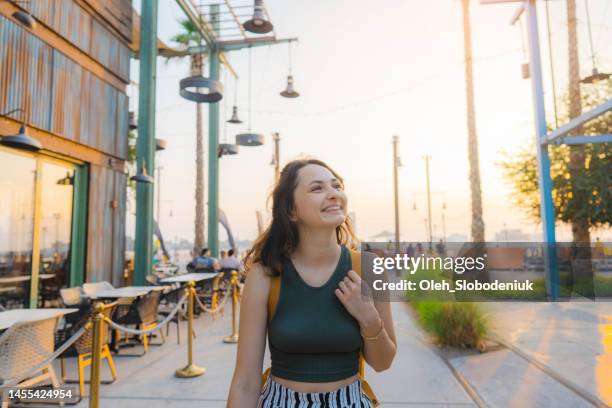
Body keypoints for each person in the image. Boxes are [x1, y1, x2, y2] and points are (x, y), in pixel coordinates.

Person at [227, 159, 397, 407]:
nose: (333, 194)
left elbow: (383, 363)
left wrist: (368, 317)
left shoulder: (369, 269)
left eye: (336, 186)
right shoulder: (264, 275)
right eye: (317, 188)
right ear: (291, 211)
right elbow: (245, 382)